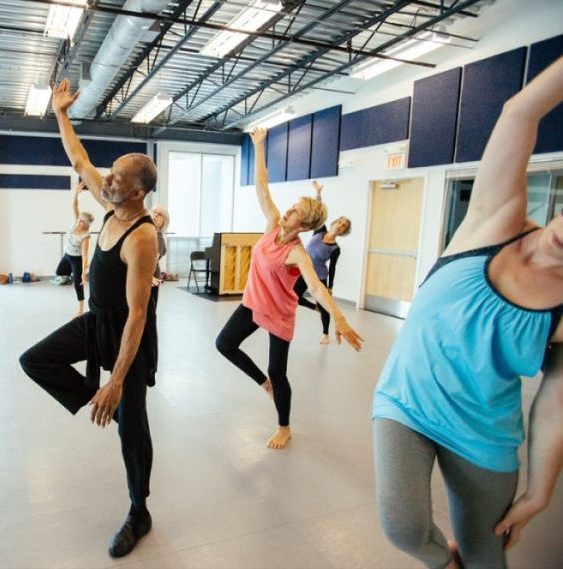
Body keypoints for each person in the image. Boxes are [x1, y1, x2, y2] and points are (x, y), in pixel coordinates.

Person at [372, 56, 563, 568]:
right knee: (404, 528)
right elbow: (520, 112)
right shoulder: (495, 219)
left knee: (487, 555)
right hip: (405, 402)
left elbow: (555, 403)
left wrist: (539, 492)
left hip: (484, 434)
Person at [19, 79, 158, 558]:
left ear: (138, 191)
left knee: (133, 433)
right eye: (110, 173)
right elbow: (79, 160)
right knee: (35, 360)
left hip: (126, 334)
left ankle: (139, 511)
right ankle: (110, 407)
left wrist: (116, 380)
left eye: (117, 177)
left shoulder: (142, 237)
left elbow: (138, 315)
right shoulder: (110, 205)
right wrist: (61, 113)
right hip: (96, 320)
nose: (106, 179)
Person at [215, 127, 363, 450]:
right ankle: (264, 383)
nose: (288, 210)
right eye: (292, 206)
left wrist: (339, 319)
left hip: (279, 313)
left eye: (295, 210)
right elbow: (262, 185)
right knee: (224, 344)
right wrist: (259, 146)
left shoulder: (297, 252)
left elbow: (316, 287)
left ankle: (284, 426)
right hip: (253, 303)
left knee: (278, 371)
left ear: (305, 225)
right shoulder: (272, 224)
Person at [292, 180, 351, 345]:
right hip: (304, 270)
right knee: (294, 297)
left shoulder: (335, 248)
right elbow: (318, 211)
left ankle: (325, 334)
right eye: (340, 222)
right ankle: (314, 307)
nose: (340, 225)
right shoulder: (319, 231)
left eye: (344, 226)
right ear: (334, 222)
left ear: (343, 232)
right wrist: (318, 193)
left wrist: (330, 286)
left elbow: (332, 268)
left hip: (319, 276)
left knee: (325, 305)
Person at [54, 181, 94, 316]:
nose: (79, 220)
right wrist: (76, 193)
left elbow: (85, 255)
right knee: (59, 271)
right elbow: (74, 206)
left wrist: (82, 273)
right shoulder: (76, 222)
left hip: (77, 259)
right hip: (67, 255)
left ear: (86, 224)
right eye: (79, 218)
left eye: (82, 220)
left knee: (78, 284)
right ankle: (77, 272)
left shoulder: (86, 236)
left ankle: (81, 309)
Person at [149, 204, 169, 305]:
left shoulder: (159, 238)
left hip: (151, 279)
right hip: (145, 278)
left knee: (149, 310)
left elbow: (151, 261)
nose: (155, 215)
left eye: (159, 214)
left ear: (164, 221)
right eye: (154, 212)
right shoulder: (149, 235)